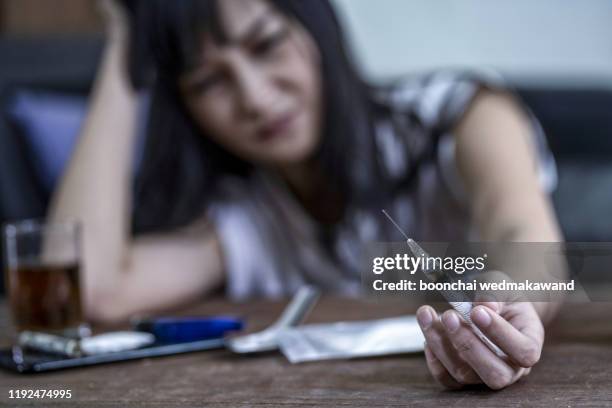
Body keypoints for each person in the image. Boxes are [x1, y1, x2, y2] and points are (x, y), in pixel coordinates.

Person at [50, 0, 563, 390]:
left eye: (266, 43)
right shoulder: (247, 218)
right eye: (210, 81)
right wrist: (127, 37)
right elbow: (88, 286)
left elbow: (523, 237)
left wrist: (510, 303)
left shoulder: (461, 115)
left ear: (316, 30)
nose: (254, 97)